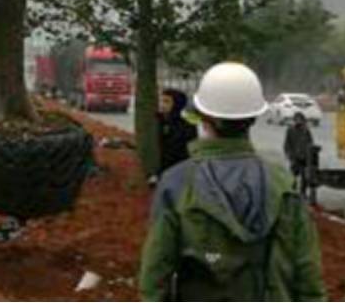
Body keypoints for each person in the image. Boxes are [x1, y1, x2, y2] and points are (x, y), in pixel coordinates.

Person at [139, 62, 325, 301]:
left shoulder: (177, 183)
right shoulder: (282, 184)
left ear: (203, 117)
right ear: (253, 118)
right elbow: (307, 276)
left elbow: (155, 275)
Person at [156, 88, 197, 178]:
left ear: (177, 104)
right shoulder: (156, 122)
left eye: (166, 102)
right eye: (161, 101)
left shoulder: (186, 127)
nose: (162, 105)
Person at [283, 111, 315, 195]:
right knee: (293, 176)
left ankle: (303, 193)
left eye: (300, 120)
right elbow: (287, 144)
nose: (299, 121)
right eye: (297, 120)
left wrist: (310, 156)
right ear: (294, 120)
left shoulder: (306, 131)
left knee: (304, 176)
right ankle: (292, 191)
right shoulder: (290, 130)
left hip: (304, 157)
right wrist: (289, 155)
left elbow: (310, 143)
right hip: (294, 157)